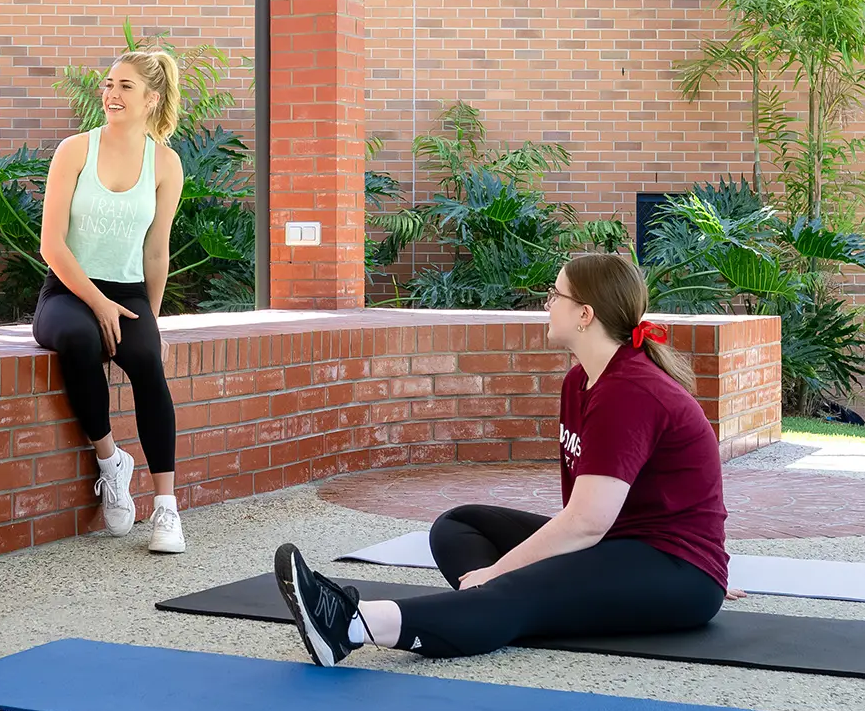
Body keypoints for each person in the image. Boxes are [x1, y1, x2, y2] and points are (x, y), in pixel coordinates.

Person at [276, 253, 740, 663]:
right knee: (460, 525)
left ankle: (350, 625)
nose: (547, 303)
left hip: (674, 569)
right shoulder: (581, 382)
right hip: (620, 546)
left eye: (555, 294)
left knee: (509, 587)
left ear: (585, 314)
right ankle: (496, 607)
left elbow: (585, 523)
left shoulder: (631, 391)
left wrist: (498, 572)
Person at [33, 50, 188, 554]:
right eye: (108, 84)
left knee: (145, 360)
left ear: (151, 99)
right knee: (78, 339)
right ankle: (109, 462)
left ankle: (166, 506)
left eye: (124, 87)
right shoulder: (75, 150)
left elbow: (156, 248)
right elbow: (51, 244)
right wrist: (97, 303)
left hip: (128, 293)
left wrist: (152, 319)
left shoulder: (165, 164)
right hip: (69, 288)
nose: (111, 95)